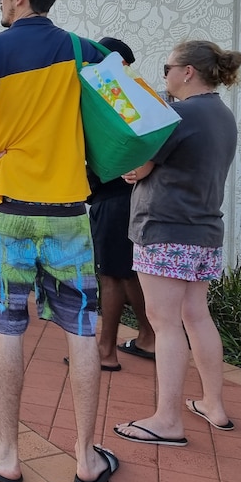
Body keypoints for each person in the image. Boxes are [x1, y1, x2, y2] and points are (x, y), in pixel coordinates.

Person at [0, 0, 117, 482]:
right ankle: (87, 457)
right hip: (69, 213)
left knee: (8, 328)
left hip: (10, 211)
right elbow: (125, 100)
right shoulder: (83, 49)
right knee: (82, 332)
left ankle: (6, 452)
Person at [114, 40, 241, 446]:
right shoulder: (222, 114)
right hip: (204, 230)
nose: (165, 74)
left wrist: (134, 168)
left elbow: (138, 164)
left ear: (188, 71)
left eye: (169, 67)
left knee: (165, 323)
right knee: (196, 316)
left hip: (166, 229)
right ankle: (213, 404)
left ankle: (167, 420)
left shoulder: (179, 114)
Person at [87, 37, 154, 370]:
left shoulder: (114, 98)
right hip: (129, 198)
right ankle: (148, 336)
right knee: (128, 275)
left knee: (111, 276)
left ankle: (106, 352)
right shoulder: (137, 99)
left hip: (113, 199)